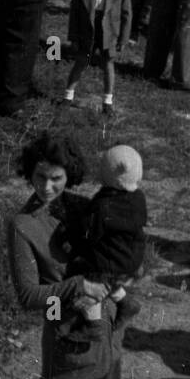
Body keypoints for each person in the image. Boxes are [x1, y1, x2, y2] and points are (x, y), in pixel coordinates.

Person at [7, 132, 123, 379]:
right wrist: (78, 286)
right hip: (65, 332)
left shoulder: (84, 207)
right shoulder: (22, 225)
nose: (47, 187)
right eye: (39, 176)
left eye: (56, 178)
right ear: (29, 173)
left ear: (68, 175)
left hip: (104, 328)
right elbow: (29, 295)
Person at [58, 146, 147, 350]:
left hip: (113, 261)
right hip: (133, 256)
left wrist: (71, 239)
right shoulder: (138, 198)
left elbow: (89, 235)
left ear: (107, 175)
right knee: (111, 278)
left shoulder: (103, 206)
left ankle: (92, 325)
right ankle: (125, 302)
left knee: (93, 280)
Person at [64, 0, 132, 116]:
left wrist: (122, 39)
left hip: (109, 34)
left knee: (108, 65)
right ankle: (67, 96)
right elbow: (74, 13)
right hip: (87, 32)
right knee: (80, 62)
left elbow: (126, 15)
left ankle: (107, 102)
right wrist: (74, 36)